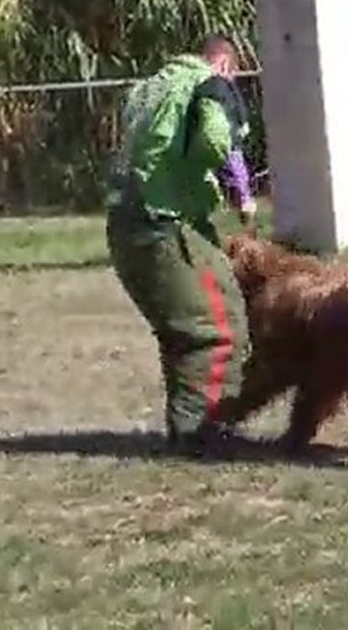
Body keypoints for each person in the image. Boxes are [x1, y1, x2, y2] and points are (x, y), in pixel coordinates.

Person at [105, 34, 258, 456]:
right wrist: (221, 179)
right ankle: (205, 435)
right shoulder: (210, 84)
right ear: (225, 64)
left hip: (125, 222)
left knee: (180, 331)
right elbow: (214, 137)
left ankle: (188, 428)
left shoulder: (151, 86)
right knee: (216, 331)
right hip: (165, 221)